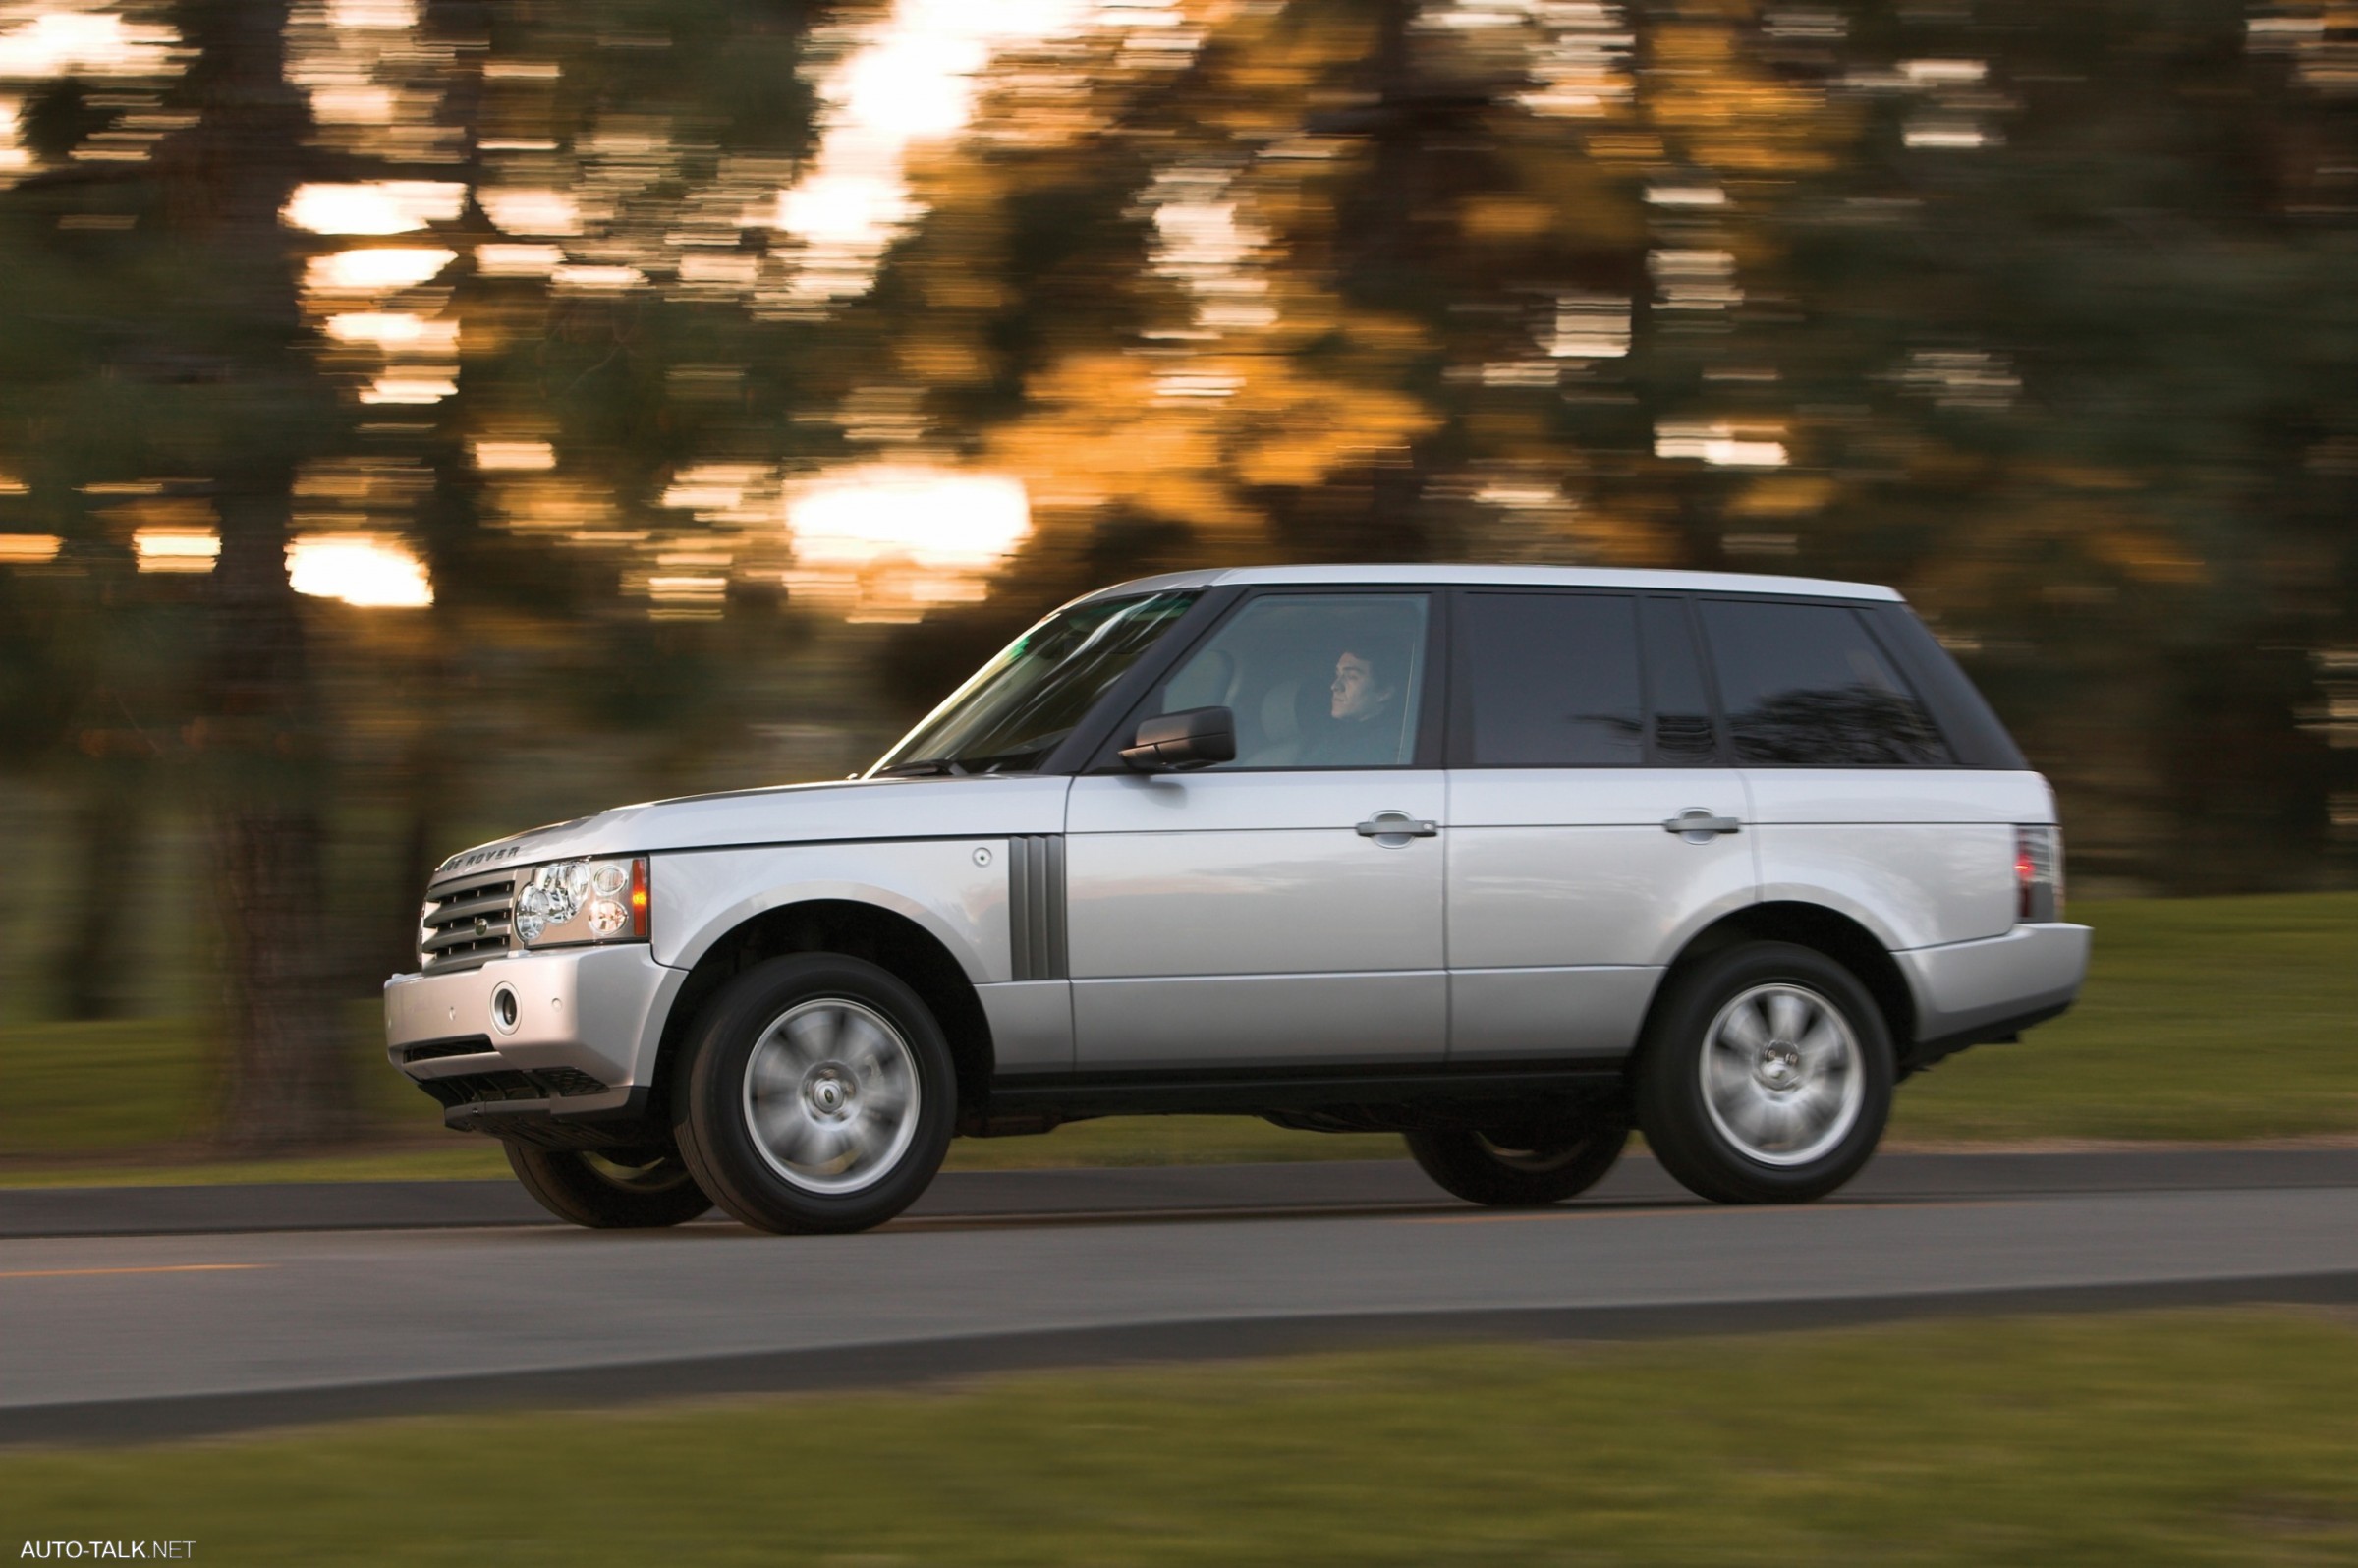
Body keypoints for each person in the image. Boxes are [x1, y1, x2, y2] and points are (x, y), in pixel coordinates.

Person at [1307, 644, 1407, 765]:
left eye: (1351, 677)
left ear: (1384, 692)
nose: (1335, 686)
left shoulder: (1379, 749)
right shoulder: (1334, 737)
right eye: (1337, 675)